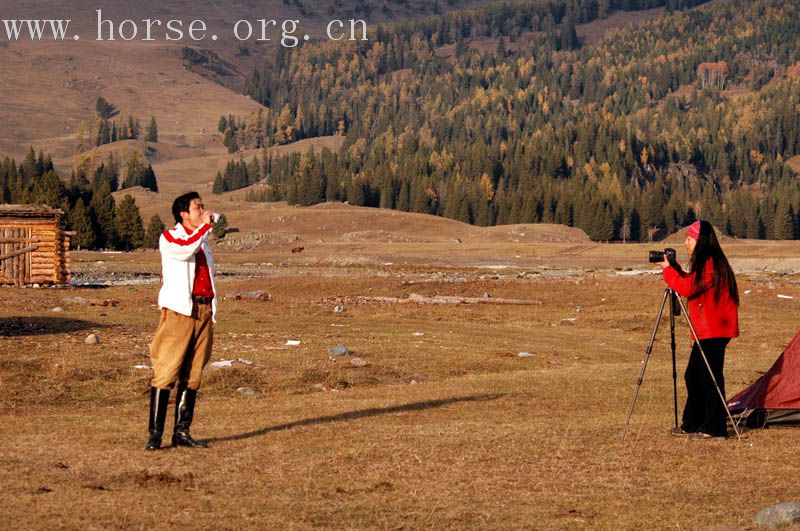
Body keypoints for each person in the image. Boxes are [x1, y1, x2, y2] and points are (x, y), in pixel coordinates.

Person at [145, 192, 218, 450]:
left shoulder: (203, 241)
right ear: (183, 214)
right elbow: (186, 250)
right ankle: (155, 434)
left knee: (193, 372)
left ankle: (182, 432)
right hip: (179, 311)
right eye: (198, 207)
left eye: (202, 207)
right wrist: (206, 227)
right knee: (166, 368)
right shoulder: (171, 237)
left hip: (203, 309)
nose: (203, 211)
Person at [657, 220, 739, 440]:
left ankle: (714, 427)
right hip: (708, 329)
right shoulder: (707, 262)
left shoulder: (711, 263)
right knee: (694, 376)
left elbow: (688, 288)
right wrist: (674, 269)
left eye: (690, 239)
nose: (686, 243)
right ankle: (693, 423)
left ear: (700, 240)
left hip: (715, 329)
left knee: (709, 377)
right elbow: (691, 282)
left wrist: (667, 272)